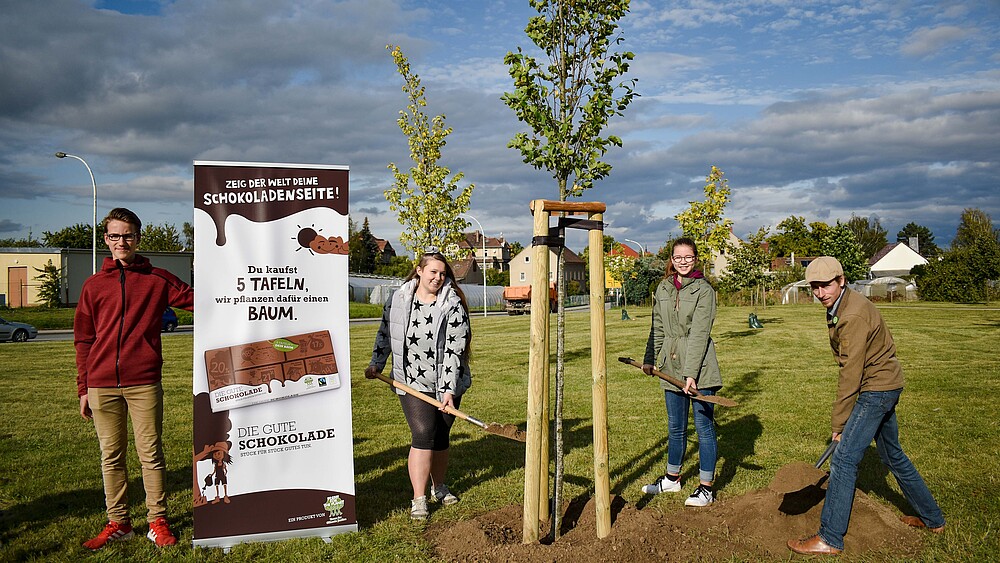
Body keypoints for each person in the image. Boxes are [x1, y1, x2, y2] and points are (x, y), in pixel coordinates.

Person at [787, 257, 945, 556]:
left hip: (876, 388)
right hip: (886, 383)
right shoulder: (841, 306)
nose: (820, 292)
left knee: (844, 460)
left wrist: (839, 425)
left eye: (826, 285)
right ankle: (932, 518)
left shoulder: (853, 315)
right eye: (815, 287)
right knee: (892, 454)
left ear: (841, 281)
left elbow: (851, 373)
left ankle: (829, 538)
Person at [74, 208, 194, 550]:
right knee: (111, 456)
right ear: (106, 240)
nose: (121, 242)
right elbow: (83, 339)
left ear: (138, 238)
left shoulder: (158, 278)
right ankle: (119, 523)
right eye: (114, 236)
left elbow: (200, 301)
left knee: (150, 454)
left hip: (143, 382)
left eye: (127, 235)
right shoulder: (93, 285)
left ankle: (157, 521)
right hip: (101, 385)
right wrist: (84, 388)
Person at [365, 251, 472, 520]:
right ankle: (419, 498)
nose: (438, 277)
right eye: (433, 272)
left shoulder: (452, 304)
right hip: (410, 380)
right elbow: (386, 331)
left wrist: (448, 390)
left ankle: (439, 486)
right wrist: (377, 362)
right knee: (423, 433)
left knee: (441, 436)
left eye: (443, 273)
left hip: (447, 380)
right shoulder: (399, 300)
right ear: (419, 271)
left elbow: (454, 350)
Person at [640, 237, 722, 507]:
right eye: (678, 258)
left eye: (688, 257)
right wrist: (650, 359)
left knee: (703, 428)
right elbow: (658, 327)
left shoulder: (703, 290)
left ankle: (706, 487)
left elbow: (699, 334)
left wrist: (691, 374)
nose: (683, 262)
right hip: (670, 365)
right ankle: (672, 479)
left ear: (695, 259)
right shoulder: (663, 288)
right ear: (672, 260)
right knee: (675, 427)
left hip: (699, 368)